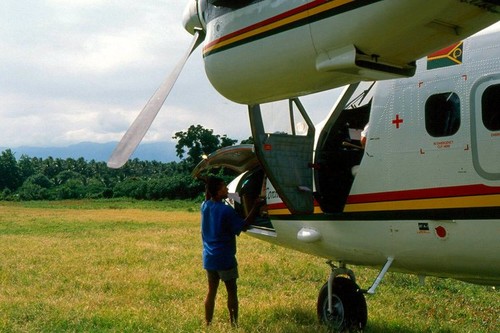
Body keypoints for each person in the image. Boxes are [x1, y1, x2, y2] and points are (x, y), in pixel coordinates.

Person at [201, 176, 261, 327]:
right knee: (232, 291)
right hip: (225, 258)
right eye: (223, 187)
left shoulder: (204, 205)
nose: (227, 189)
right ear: (217, 192)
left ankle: (208, 324)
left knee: (211, 292)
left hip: (209, 258)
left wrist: (209, 186)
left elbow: (208, 196)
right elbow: (243, 226)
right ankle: (234, 324)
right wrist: (256, 206)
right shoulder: (226, 210)